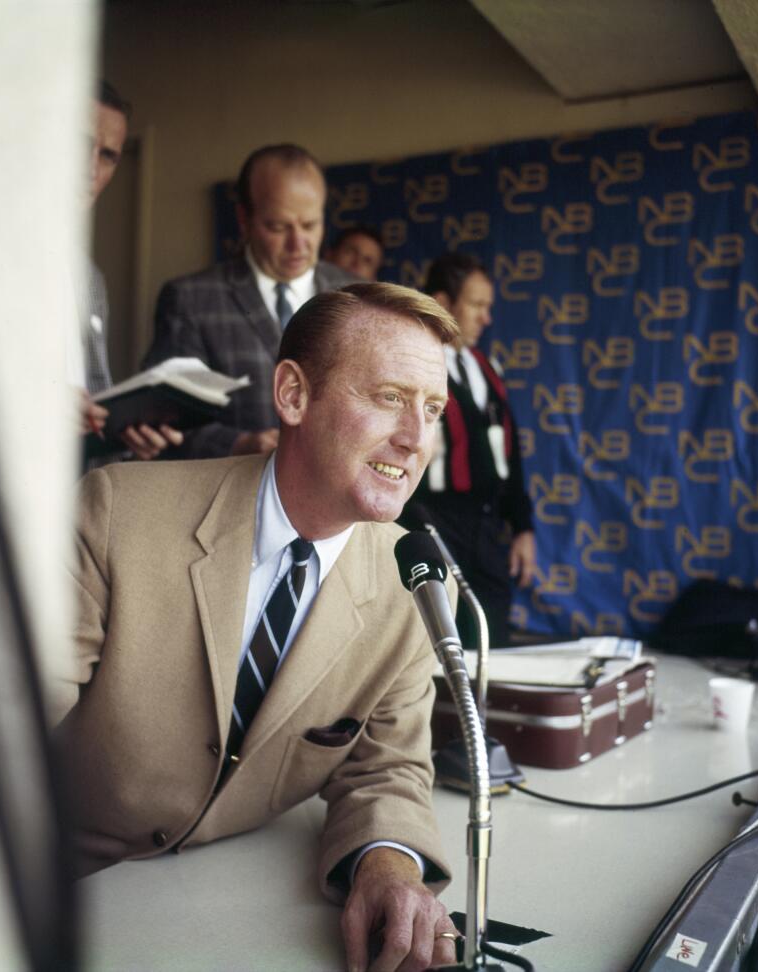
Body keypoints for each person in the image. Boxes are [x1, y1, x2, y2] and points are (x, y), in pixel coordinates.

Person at [52, 282, 463, 971]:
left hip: (229, 913)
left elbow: (386, 768)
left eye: (433, 409)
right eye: (389, 397)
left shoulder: (413, 580)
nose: (416, 438)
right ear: (294, 395)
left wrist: (388, 867)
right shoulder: (114, 512)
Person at [143, 144, 358, 459]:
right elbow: (162, 421)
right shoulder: (191, 299)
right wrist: (238, 445)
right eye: (278, 227)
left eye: (310, 225)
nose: (298, 244)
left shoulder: (357, 296)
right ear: (244, 218)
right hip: (233, 492)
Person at [402, 252, 536, 646]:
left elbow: (510, 454)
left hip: (487, 525)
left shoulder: (485, 366)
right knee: (439, 637)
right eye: (477, 305)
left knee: (493, 633)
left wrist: (522, 526)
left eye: (487, 307)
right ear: (443, 303)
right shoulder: (413, 365)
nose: (486, 318)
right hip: (434, 519)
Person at [77, 81, 182, 462]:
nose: (89, 169)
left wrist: (127, 436)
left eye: (107, 155)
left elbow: (93, 396)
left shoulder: (89, 278)